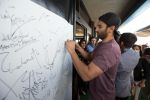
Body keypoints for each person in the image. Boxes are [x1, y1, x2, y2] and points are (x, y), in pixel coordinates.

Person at [65, 12, 121, 100]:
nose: (96, 29)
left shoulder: (110, 49)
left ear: (111, 28)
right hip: (95, 92)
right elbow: (91, 58)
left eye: (100, 26)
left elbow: (86, 75)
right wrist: (78, 47)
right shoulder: (101, 44)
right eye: (96, 26)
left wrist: (72, 52)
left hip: (103, 96)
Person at [115, 33, 140, 100]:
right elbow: (131, 71)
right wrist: (132, 82)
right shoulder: (137, 55)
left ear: (122, 43)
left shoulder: (119, 58)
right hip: (127, 84)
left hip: (116, 87)